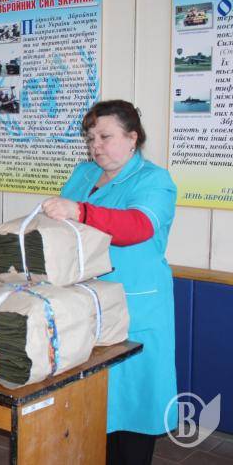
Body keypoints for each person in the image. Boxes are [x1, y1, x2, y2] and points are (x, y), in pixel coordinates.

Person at [41, 100, 177, 465]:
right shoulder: (84, 174)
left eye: (105, 136)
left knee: (131, 408)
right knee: (91, 408)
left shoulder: (154, 180)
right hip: (83, 304)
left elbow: (137, 227)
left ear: (132, 138)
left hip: (135, 308)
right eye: (90, 138)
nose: (95, 146)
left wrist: (80, 211)